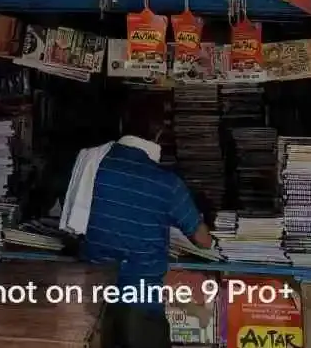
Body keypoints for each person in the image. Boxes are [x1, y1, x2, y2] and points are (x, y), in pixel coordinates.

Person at [79, 90, 213, 348]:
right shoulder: (167, 184)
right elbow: (203, 241)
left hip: (92, 303)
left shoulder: (92, 166)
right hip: (141, 307)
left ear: (121, 125)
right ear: (160, 134)